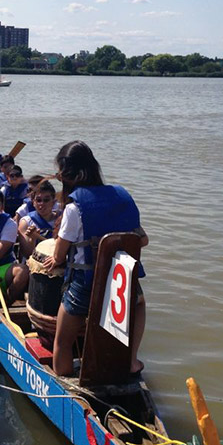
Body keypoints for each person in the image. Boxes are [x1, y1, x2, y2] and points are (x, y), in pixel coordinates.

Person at [42, 141, 148, 376]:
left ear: (67, 174)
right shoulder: (122, 195)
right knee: (139, 303)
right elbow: (142, 240)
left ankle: (63, 378)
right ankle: (131, 360)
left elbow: (59, 255)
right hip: (123, 281)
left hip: (86, 285)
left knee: (62, 341)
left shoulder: (74, 207)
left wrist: (56, 260)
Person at [17, 179, 60, 257]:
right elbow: (26, 254)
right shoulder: (26, 222)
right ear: (33, 202)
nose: (42, 204)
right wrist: (32, 239)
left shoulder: (62, 220)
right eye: (38, 200)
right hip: (35, 262)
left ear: (54, 202)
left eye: (46, 200)